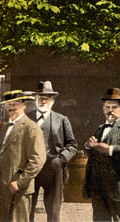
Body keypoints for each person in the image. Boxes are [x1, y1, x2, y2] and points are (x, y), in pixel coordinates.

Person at [83, 87, 120, 222]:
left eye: (114, 107)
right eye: (107, 107)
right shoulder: (100, 128)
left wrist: (109, 149)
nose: (110, 110)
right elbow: (93, 151)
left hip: (119, 185)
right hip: (99, 185)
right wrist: (88, 146)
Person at [0, 90, 45, 222]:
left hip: (19, 188)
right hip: (3, 186)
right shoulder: (4, 127)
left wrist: (20, 182)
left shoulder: (31, 127)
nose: (11, 107)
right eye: (8, 104)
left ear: (24, 105)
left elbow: (37, 159)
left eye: (15, 104)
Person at [29, 80, 77, 222]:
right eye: (40, 98)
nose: (43, 101)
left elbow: (72, 145)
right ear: (35, 99)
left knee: (54, 210)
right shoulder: (27, 118)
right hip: (31, 170)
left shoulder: (62, 120)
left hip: (54, 169)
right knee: (27, 208)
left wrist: (60, 159)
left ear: (53, 100)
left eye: (47, 98)